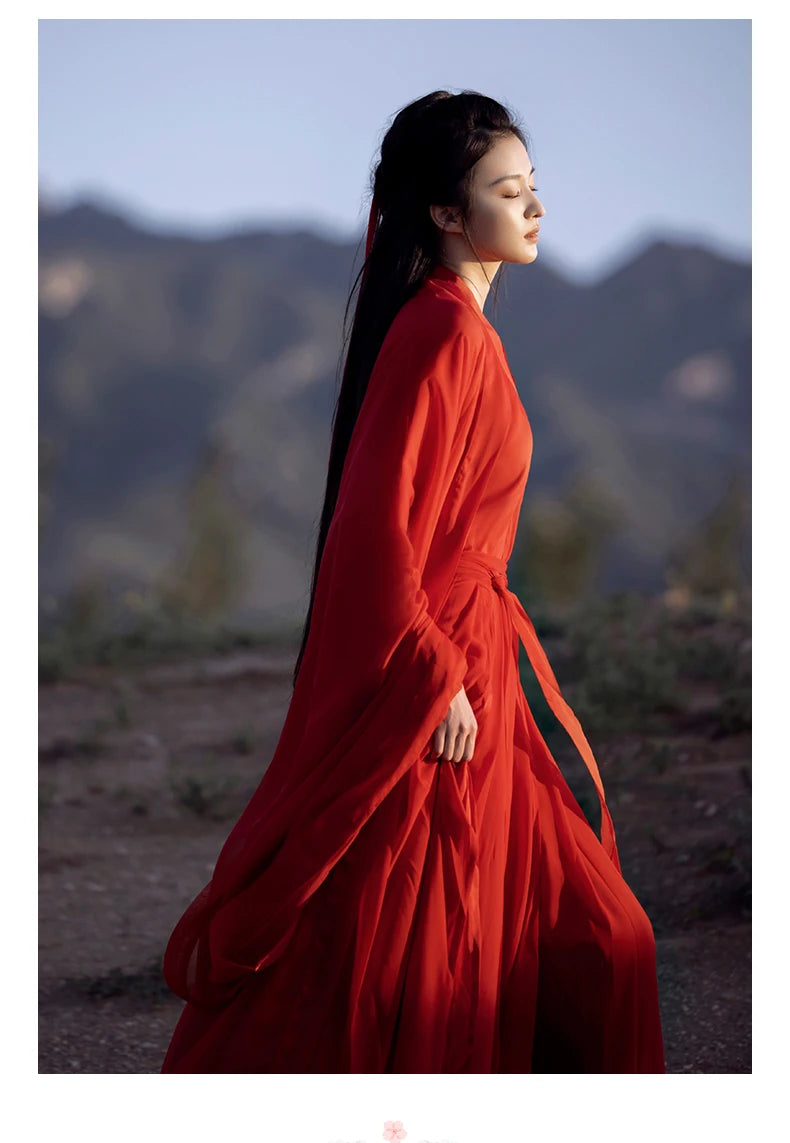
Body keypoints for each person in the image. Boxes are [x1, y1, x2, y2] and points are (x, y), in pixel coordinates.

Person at [160, 89, 666, 1074]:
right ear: (444, 211)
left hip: (480, 661)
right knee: (415, 931)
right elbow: (373, 527)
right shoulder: (443, 332)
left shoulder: (457, 328)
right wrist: (431, 674)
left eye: (532, 186)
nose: (536, 207)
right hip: (443, 670)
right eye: (508, 191)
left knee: (572, 935)